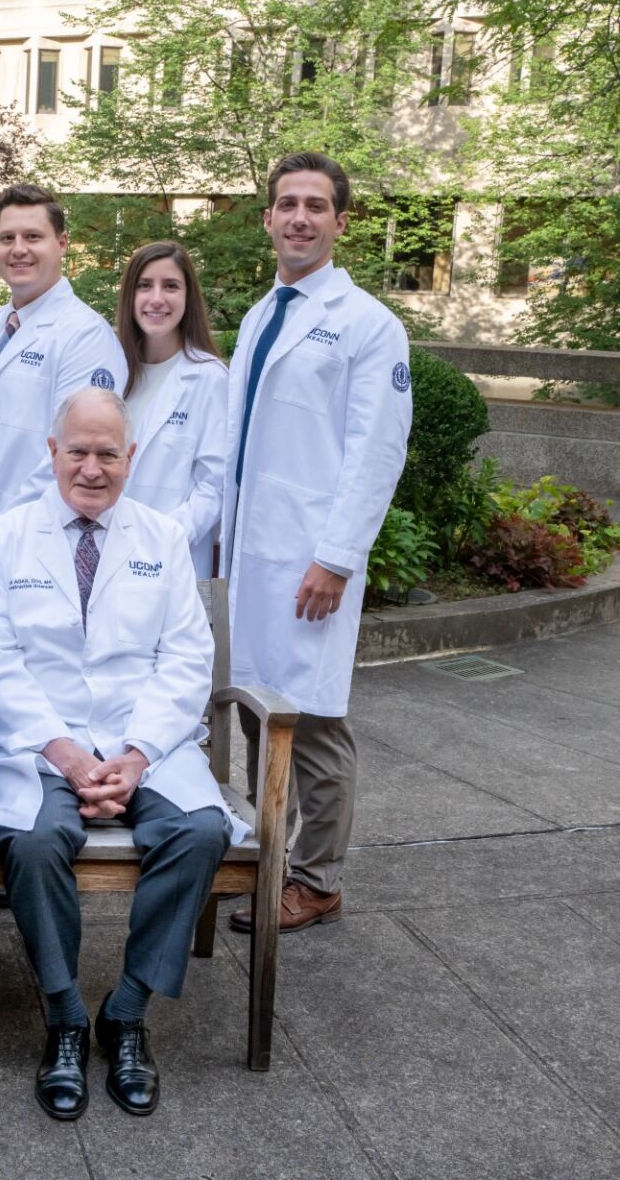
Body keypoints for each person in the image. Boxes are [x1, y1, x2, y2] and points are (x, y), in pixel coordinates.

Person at [0, 387, 249, 1121]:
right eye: (78, 452)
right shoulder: (6, 539)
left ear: (132, 457)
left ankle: (125, 1012)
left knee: (201, 830)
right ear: (51, 452)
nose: (92, 469)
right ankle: (64, 1015)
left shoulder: (162, 538)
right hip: (42, 743)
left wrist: (137, 755)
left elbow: (185, 657)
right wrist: (65, 753)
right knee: (33, 840)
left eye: (108, 454)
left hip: (143, 740)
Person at [221, 153, 411, 935]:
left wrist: (337, 556)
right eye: (288, 204)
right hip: (253, 556)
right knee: (256, 711)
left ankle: (317, 878)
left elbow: (377, 451)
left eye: (316, 205)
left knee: (313, 721)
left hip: (310, 560)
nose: (300, 217)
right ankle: (265, 859)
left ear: (341, 221)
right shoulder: (260, 316)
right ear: (268, 218)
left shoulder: (368, 324)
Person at [0, 183, 128, 561]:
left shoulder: (85, 336)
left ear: (62, 243)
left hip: (44, 541)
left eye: (32, 237)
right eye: (7, 238)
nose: (18, 249)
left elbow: (76, 451)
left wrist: (4, 527)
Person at [115, 241, 228, 578]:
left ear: (188, 297)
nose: (157, 298)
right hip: (104, 550)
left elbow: (214, 486)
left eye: (171, 286)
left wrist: (163, 537)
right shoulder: (112, 370)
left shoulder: (209, 378)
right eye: (144, 285)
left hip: (171, 557)